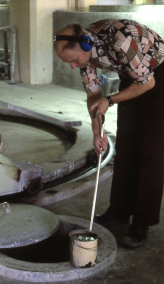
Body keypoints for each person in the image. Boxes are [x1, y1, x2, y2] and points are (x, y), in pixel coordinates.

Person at [54, 19, 164, 248]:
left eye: (73, 60)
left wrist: (110, 100)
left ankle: (141, 223)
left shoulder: (120, 39)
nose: (73, 66)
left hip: (159, 76)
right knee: (126, 144)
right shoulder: (85, 52)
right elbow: (93, 96)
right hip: (132, 75)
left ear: (84, 45)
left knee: (152, 150)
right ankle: (120, 211)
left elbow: (147, 83)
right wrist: (97, 133)